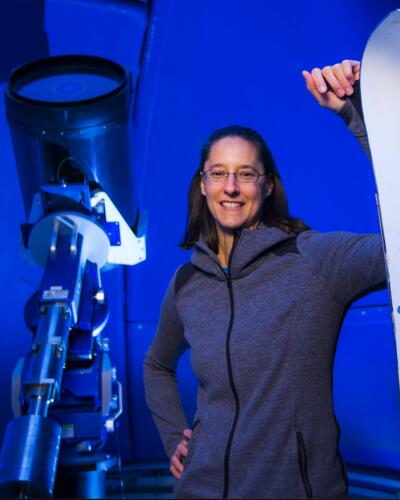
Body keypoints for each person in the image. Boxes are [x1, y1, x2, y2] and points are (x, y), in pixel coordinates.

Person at [143, 60, 386, 499]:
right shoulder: (186, 284)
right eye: (218, 173)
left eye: (246, 174)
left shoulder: (314, 260)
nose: (231, 187)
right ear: (203, 185)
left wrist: (359, 119)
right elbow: (156, 365)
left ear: (268, 185)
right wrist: (172, 438)